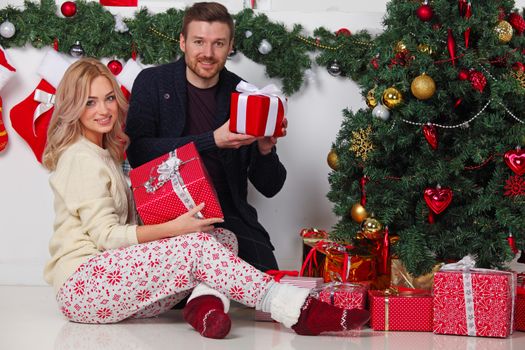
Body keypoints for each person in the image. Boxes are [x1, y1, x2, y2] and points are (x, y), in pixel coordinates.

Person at [42, 58, 369, 339]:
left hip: (106, 283)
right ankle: (299, 311)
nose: (104, 110)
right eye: (90, 102)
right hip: (84, 286)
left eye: (109, 98)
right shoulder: (80, 159)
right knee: (197, 244)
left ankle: (204, 306)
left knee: (220, 236)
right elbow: (108, 237)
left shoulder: (102, 153)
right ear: (73, 108)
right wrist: (176, 228)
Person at [125, 2, 285, 272]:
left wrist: (264, 150)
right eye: (199, 41)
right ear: (183, 42)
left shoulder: (245, 95)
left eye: (218, 44)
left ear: (230, 45)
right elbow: (138, 152)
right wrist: (213, 140)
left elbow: (270, 187)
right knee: (176, 297)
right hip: (167, 214)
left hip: (227, 215)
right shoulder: (152, 82)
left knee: (267, 284)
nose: (208, 53)